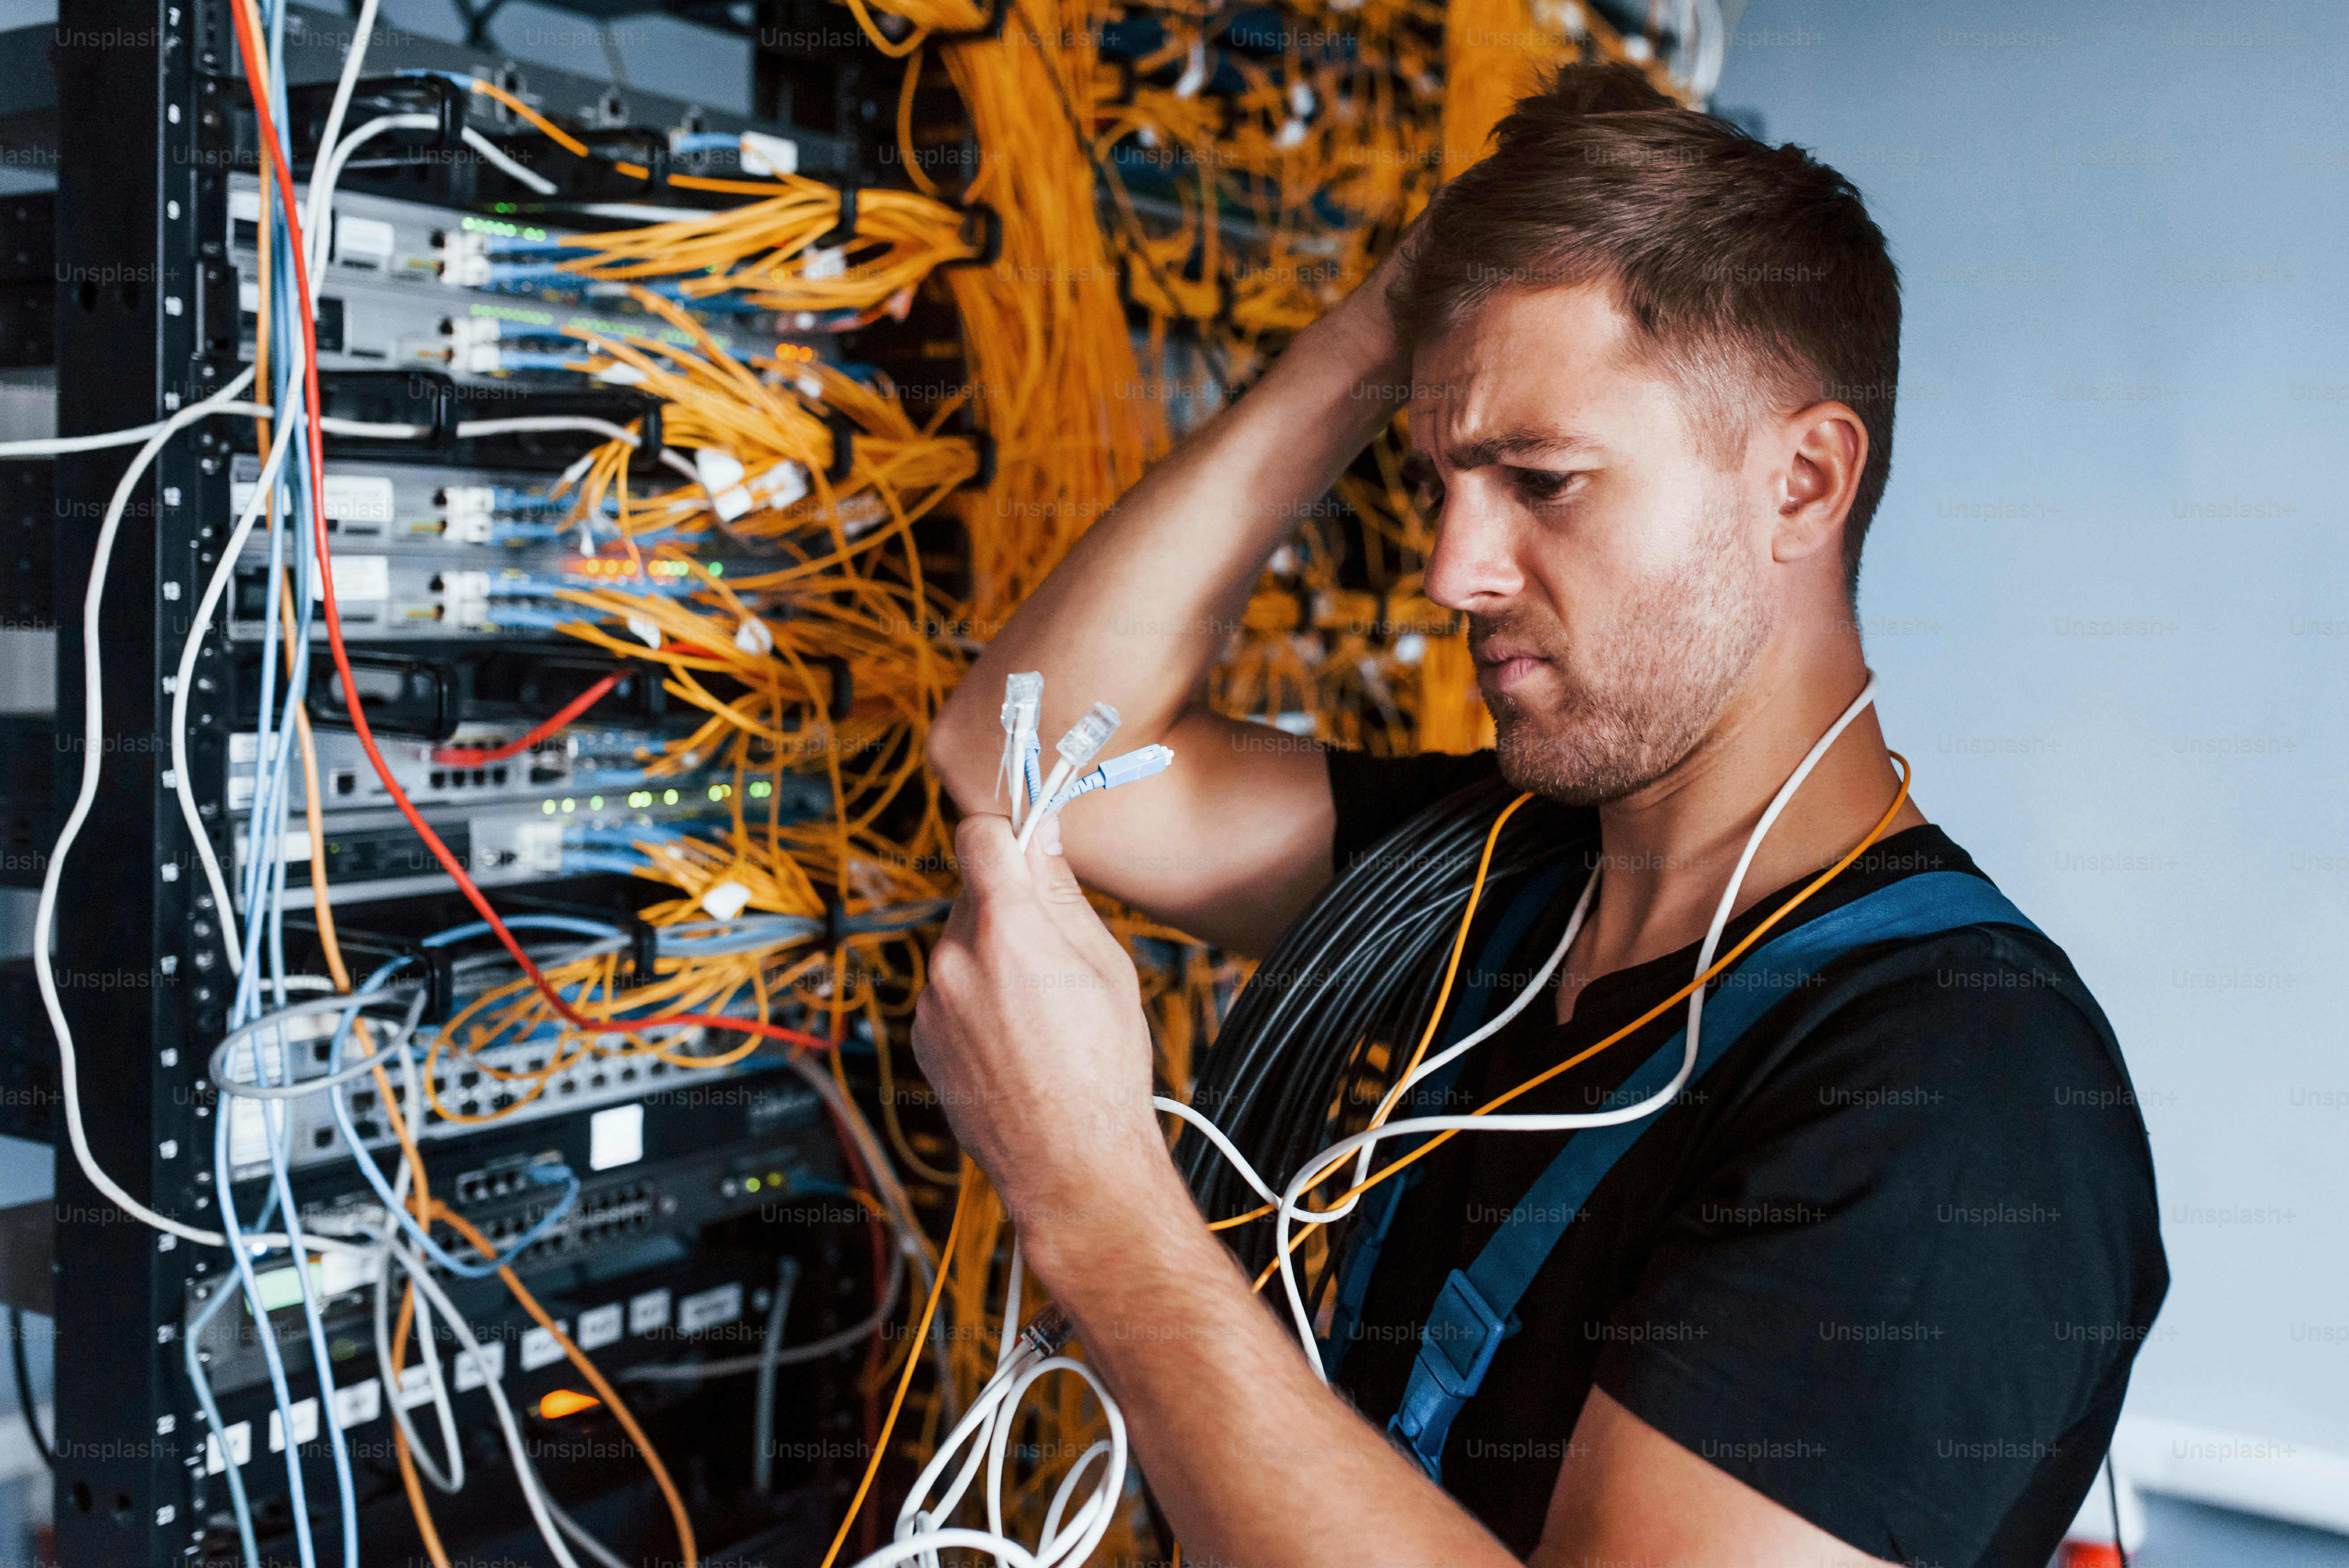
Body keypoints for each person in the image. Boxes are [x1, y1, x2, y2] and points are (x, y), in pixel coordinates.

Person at [915, 62, 2167, 1568]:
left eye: (1544, 480)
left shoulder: (1963, 1092)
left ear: (1804, 481)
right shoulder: (1503, 866)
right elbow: (1021, 752)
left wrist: (1099, 1205)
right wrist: (1383, 332)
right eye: (1443, 477)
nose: (1454, 571)